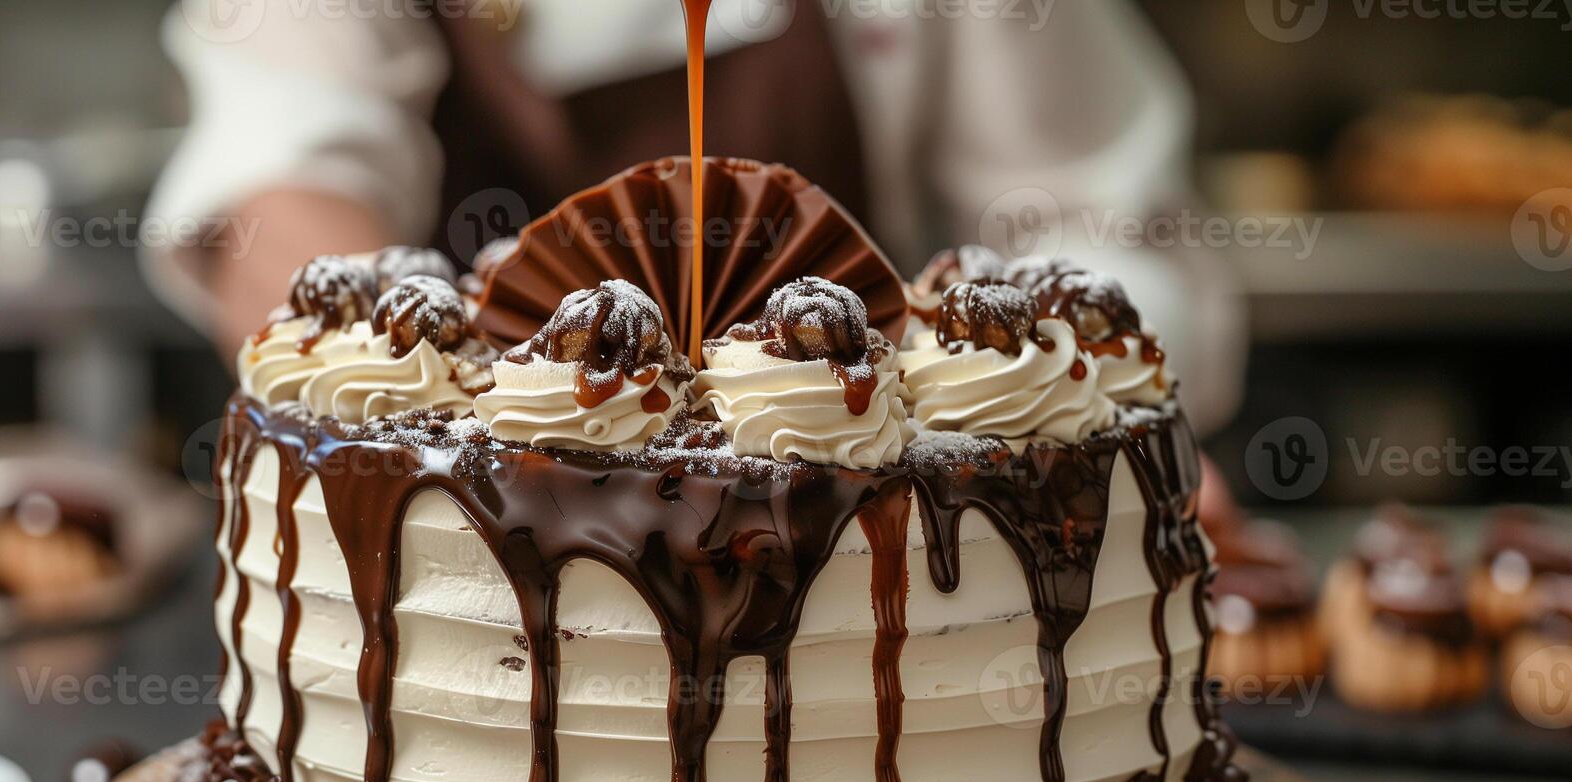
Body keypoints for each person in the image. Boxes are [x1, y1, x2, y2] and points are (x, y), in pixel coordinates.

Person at [144, 0, 1245, 432]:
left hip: (890, 550)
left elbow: (1095, 220)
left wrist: (1071, 420)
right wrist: (455, 405)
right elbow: (277, 187)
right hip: (483, 547)